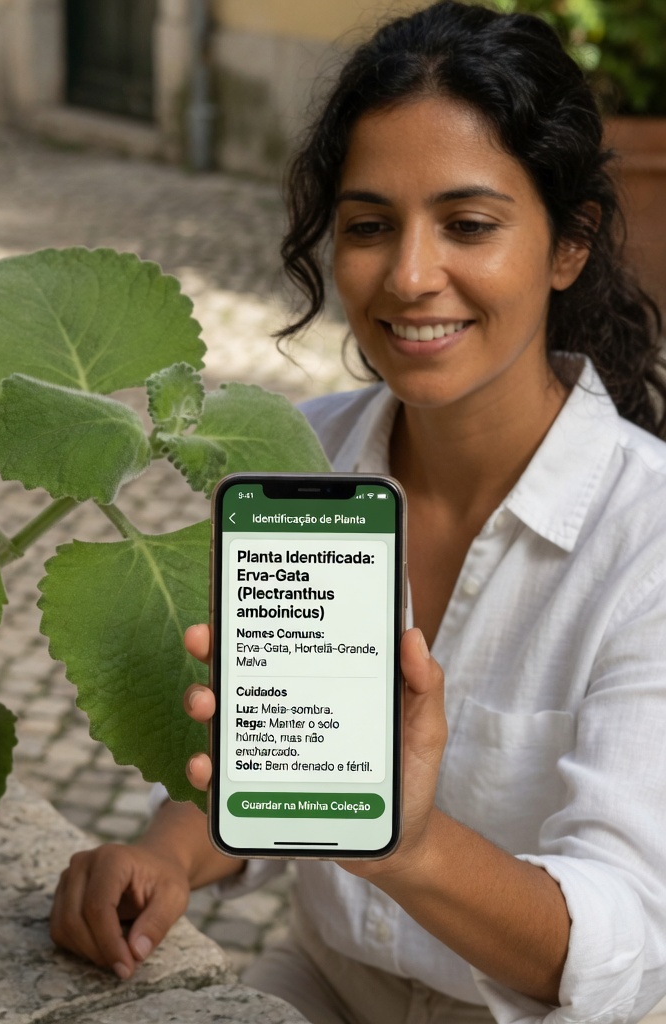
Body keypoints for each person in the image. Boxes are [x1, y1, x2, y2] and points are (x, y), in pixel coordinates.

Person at [48, 3, 666, 1021]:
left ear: (569, 244)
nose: (410, 275)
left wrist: (410, 843)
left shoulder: (645, 544)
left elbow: (625, 939)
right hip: (331, 983)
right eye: (370, 225)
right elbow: (280, 766)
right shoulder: (307, 459)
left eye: (468, 224)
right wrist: (164, 851)